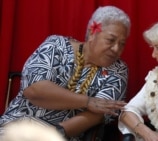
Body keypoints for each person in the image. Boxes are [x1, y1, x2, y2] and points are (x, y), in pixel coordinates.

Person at [0, 5, 131, 140]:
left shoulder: (118, 71)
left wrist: (55, 132)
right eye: (111, 40)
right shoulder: (56, 45)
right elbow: (34, 89)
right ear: (92, 32)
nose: (116, 48)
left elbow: (99, 114)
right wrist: (87, 102)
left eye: (122, 44)